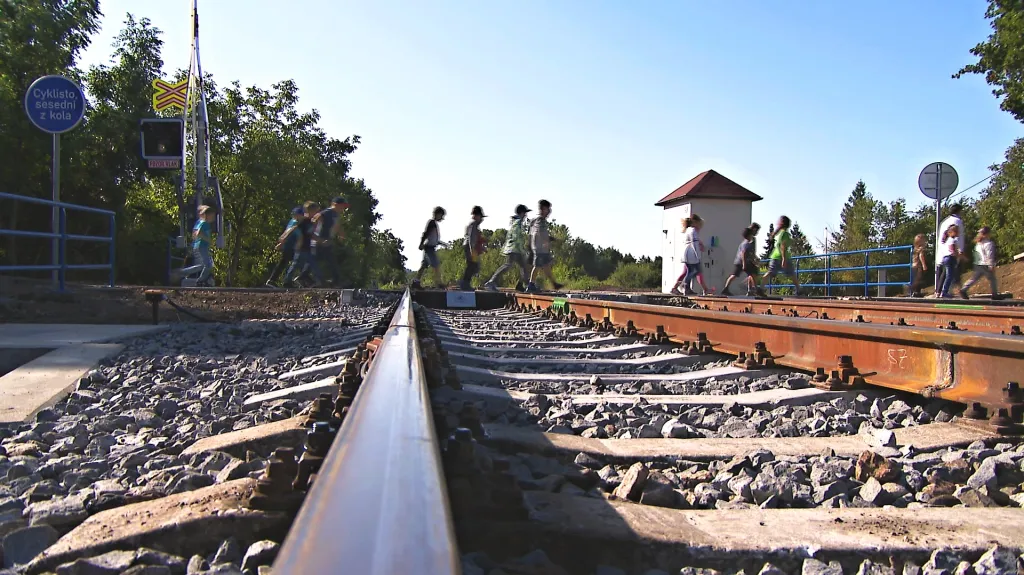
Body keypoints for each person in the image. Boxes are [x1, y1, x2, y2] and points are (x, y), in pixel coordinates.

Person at [484, 204, 531, 292]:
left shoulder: (516, 222)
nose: (526, 215)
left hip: (516, 249)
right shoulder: (517, 223)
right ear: (521, 213)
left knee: (524, 267)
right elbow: (517, 238)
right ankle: (491, 282)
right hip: (514, 249)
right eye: (525, 213)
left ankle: (523, 285)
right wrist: (523, 250)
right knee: (508, 265)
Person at [282, 202, 324, 288]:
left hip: (307, 248)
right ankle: (287, 281)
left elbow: (311, 234)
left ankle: (320, 281)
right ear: (310, 211)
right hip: (301, 248)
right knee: (296, 265)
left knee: (313, 264)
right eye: (316, 211)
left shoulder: (311, 222)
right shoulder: (304, 221)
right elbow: (293, 228)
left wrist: (320, 240)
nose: (317, 213)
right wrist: (284, 237)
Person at [526, 199, 563, 293]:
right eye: (548, 209)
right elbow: (538, 232)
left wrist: (530, 244)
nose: (549, 211)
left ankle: (554, 284)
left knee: (546, 265)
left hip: (539, 248)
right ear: (543, 209)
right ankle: (530, 285)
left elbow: (531, 233)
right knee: (537, 266)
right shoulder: (540, 220)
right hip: (540, 248)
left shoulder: (535, 220)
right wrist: (546, 240)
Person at [310, 196, 348, 287]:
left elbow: (337, 225)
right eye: (342, 206)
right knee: (318, 260)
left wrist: (341, 234)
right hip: (320, 240)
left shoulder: (336, 215)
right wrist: (315, 236)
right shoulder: (327, 212)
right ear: (335, 205)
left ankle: (335, 281)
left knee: (330, 260)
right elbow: (314, 219)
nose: (343, 208)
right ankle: (305, 277)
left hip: (327, 241)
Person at [671, 215, 712, 295]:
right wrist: (698, 256)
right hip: (692, 256)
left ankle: (676, 288)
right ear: (695, 223)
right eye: (699, 224)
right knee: (694, 271)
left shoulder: (689, 230)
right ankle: (686, 287)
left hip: (687, 255)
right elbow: (694, 245)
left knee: (688, 272)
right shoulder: (693, 231)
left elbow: (694, 242)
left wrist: (700, 243)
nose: (700, 227)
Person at [763, 215, 801, 295]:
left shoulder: (780, 233)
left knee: (770, 272)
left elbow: (776, 240)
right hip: (783, 257)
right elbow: (783, 246)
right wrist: (783, 259)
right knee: (792, 274)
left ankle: (761, 287)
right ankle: (799, 289)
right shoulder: (785, 234)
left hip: (775, 256)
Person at [267, 207, 304, 287]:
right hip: (290, 245)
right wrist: (281, 243)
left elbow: (286, 232)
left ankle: (284, 281)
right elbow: (290, 232)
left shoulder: (293, 221)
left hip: (290, 245)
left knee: (286, 263)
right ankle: (277, 280)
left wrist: (281, 241)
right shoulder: (295, 223)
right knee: (294, 262)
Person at [181, 205, 217, 287]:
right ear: (208, 215)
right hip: (202, 246)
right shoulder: (205, 223)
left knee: (201, 266)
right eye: (212, 215)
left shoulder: (200, 223)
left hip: (199, 246)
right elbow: (199, 233)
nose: (214, 218)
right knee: (208, 265)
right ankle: (200, 281)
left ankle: (182, 272)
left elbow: (194, 234)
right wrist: (209, 241)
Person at [722, 224, 762, 297]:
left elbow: (752, 253)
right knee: (750, 274)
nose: (757, 232)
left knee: (749, 274)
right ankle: (756, 290)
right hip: (742, 261)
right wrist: (744, 264)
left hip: (744, 261)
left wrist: (755, 259)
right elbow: (743, 253)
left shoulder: (751, 240)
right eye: (756, 231)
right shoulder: (747, 242)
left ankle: (752, 290)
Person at [934, 203, 965, 297]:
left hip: (943, 251)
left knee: (946, 272)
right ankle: (951, 291)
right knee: (952, 273)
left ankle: (939, 291)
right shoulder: (957, 221)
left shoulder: (944, 222)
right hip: (952, 252)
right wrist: (961, 250)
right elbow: (960, 237)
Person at [412, 206, 446, 289]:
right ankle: (439, 283)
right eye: (441, 216)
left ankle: (416, 281)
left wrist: (442, 243)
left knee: (423, 266)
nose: (442, 218)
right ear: (437, 214)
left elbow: (433, 238)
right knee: (436, 264)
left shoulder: (434, 224)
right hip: (429, 248)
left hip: (429, 247)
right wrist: (421, 243)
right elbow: (426, 233)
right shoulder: (432, 223)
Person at [961, 226, 997, 298]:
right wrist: (991, 265)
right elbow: (989, 255)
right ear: (987, 234)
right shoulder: (989, 243)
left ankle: (964, 289)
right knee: (992, 279)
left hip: (978, 264)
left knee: (974, 278)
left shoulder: (978, 243)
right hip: (985, 264)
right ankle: (994, 294)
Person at [460, 206, 487, 290]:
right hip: (470, 247)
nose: (482, 219)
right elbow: (472, 238)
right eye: (480, 217)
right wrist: (472, 250)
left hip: (472, 247)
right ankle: (464, 283)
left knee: (474, 265)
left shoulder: (474, 225)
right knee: (472, 265)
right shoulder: (473, 225)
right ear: (476, 216)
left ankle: (466, 283)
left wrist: (481, 248)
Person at [938, 223, 962, 298]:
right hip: (950, 258)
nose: (958, 233)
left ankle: (946, 291)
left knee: (950, 276)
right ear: (952, 232)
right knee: (949, 276)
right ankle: (944, 292)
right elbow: (952, 250)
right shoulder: (952, 240)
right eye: (957, 231)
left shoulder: (948, 240)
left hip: (947, 258)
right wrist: (958, 255)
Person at [909, 233, 928, 297]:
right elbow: (921, 256)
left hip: (914, 265)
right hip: (919, 265)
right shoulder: (921, 248)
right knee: (919, 279)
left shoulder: (915, 248)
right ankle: (913, 289)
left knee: (917, 279)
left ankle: (916, 292)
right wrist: (924, 264)